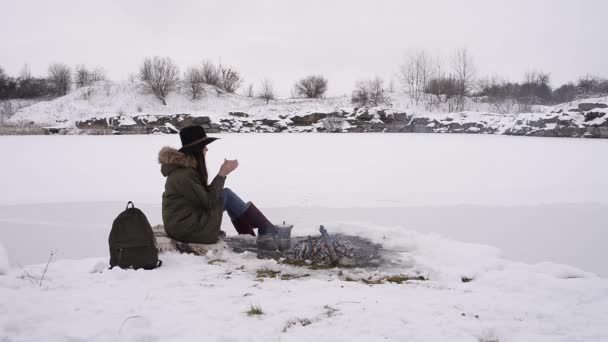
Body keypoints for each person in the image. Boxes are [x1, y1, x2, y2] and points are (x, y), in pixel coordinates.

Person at [158, 125, 289, 250]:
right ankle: (267, 230)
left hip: (183, 225)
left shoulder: (184, 171)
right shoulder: (184, 175)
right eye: (204, 147)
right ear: (197, 150)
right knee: (226, 195)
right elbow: (209, 202)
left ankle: (251, 235)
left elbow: (203, 197)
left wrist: (222, 175)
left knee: (225, 195)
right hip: (187, 229)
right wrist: (222, 174)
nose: (207, 150)